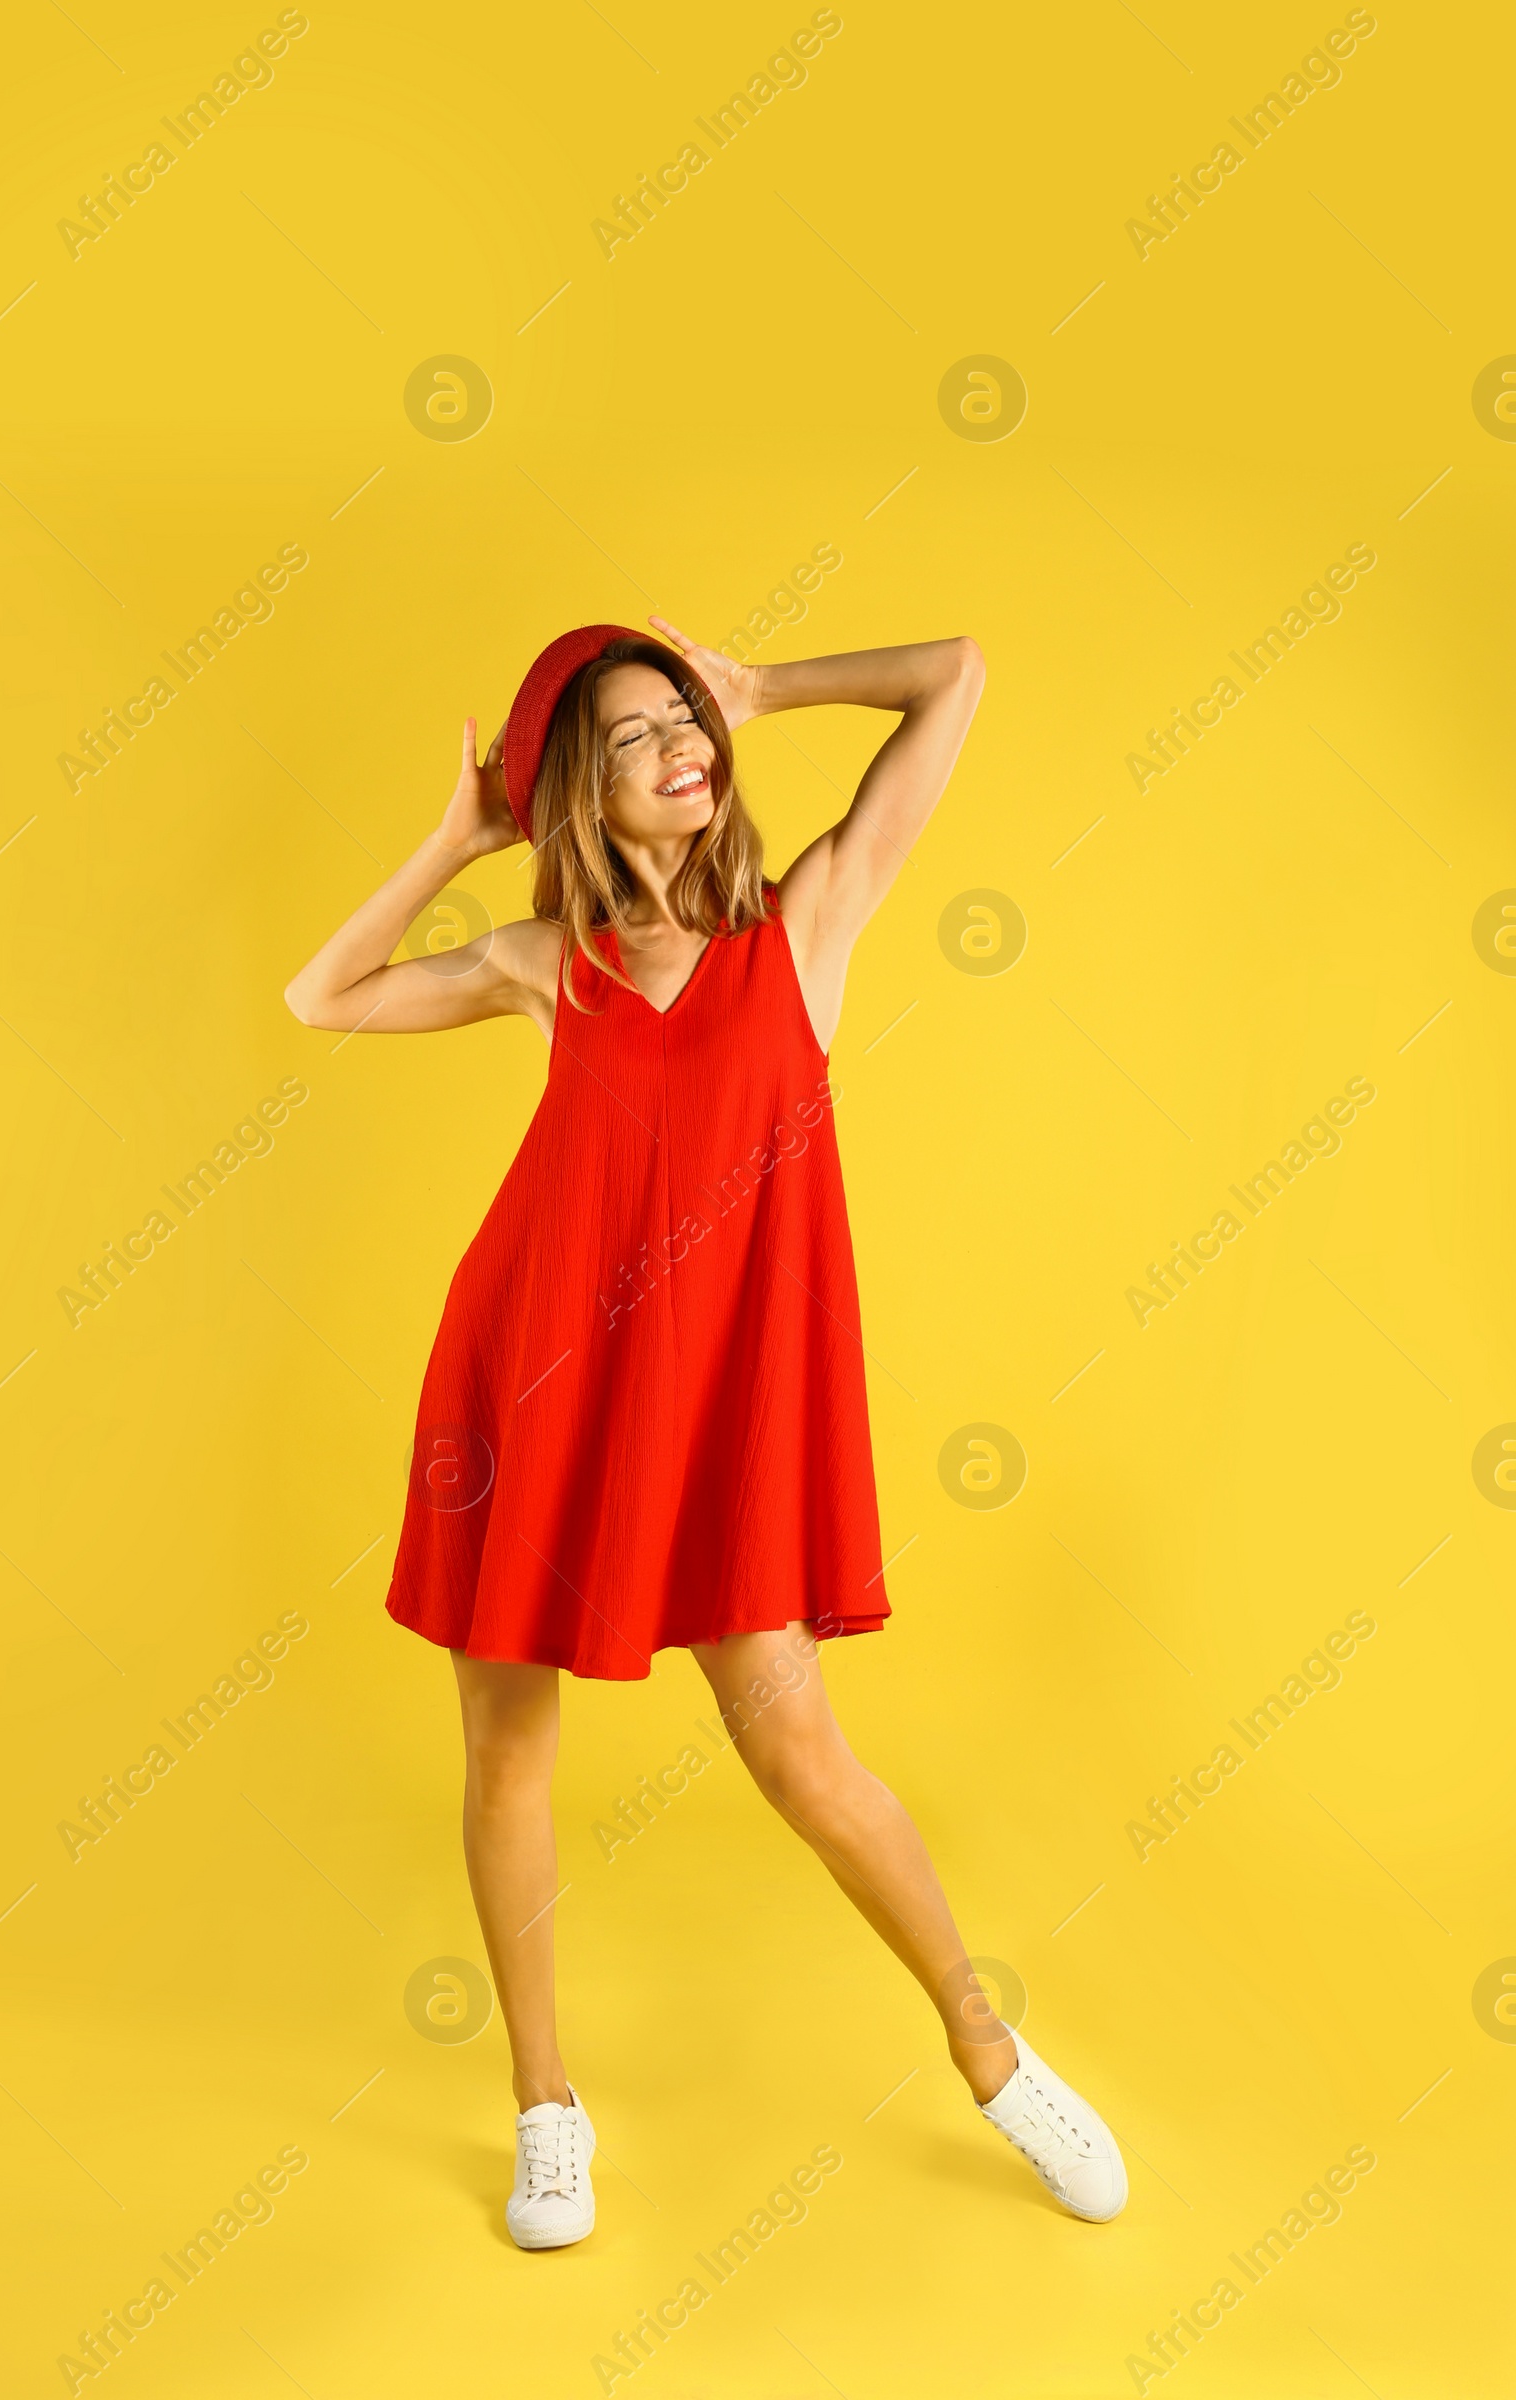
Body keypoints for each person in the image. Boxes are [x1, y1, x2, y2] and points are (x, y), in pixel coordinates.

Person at [285, 616, 1127, 2247]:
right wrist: (459, 839)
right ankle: (546, 2112)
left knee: (798, 1750)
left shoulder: (804, 925)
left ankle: (987, 2044)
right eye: (629, 734)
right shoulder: (551, 965)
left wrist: (765, 687)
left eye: (684, 718)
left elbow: (957, 670)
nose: (679, 743)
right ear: (578, 795)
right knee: (506, 1751)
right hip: (526, 1385)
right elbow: (323, 995)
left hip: (711, 1412)